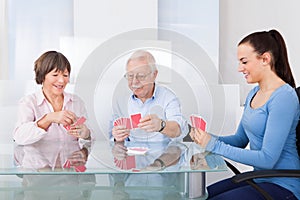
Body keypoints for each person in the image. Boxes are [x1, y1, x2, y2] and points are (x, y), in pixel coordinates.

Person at [190, 29, 300, 199]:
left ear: (265, 59)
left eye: (244, 62)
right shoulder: (254, 93)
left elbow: (267, 159)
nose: (239, 68)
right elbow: (239, 140)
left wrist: (214, 145)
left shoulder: (283, 97)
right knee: (199, 196)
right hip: (260, 179)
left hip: (283, 185)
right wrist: (207, 139)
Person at [13, 51, 92, 145]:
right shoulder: (29, 102)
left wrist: (86, 134)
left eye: (65, 75)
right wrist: (47, 119)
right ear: (42, 76)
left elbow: (90, 137)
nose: (62, 80)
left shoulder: (76, 102)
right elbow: (19, 137)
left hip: (70, 158)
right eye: (55, 75)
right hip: (38, 159)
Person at [110, 50, 189, 142]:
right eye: (130, 76)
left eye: (141, 76)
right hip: (133, 154)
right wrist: (117, 137)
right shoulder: (121, 101)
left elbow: (178, 130)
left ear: (154, 75)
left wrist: (161, 125)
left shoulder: (168, 98)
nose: (134, 82)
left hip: (164, 155)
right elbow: (112, 139)